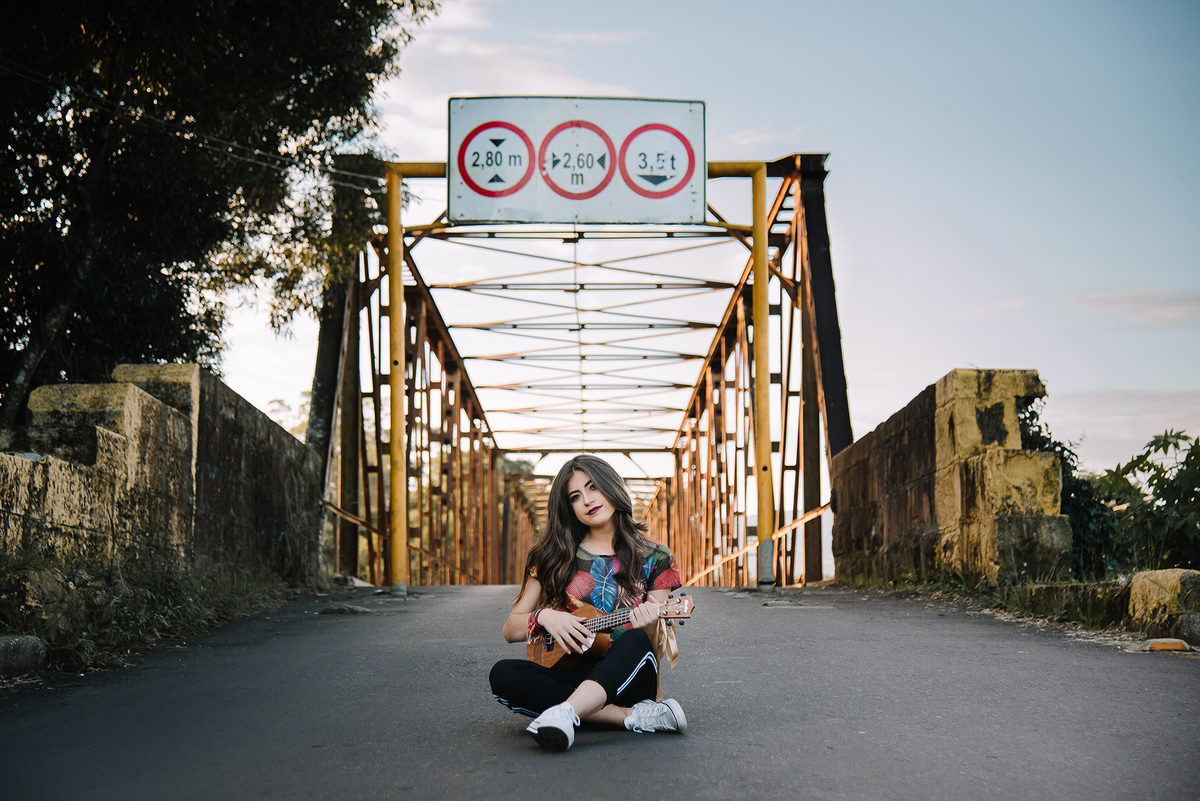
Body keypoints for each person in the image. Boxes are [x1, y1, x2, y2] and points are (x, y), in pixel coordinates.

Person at [489, 454, 688, 752]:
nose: (587, 500)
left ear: (611, 485)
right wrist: (545, 617)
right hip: (572, 671)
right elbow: (510, 629)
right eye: (575, 496)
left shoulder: (654, 556)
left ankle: (566, 711)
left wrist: (648, 627)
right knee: (504, 674)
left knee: (635, 639)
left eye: (593, 486)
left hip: (628, 676)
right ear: (568, 507)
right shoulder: (551, 555)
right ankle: (628, 717)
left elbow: (652, 649)